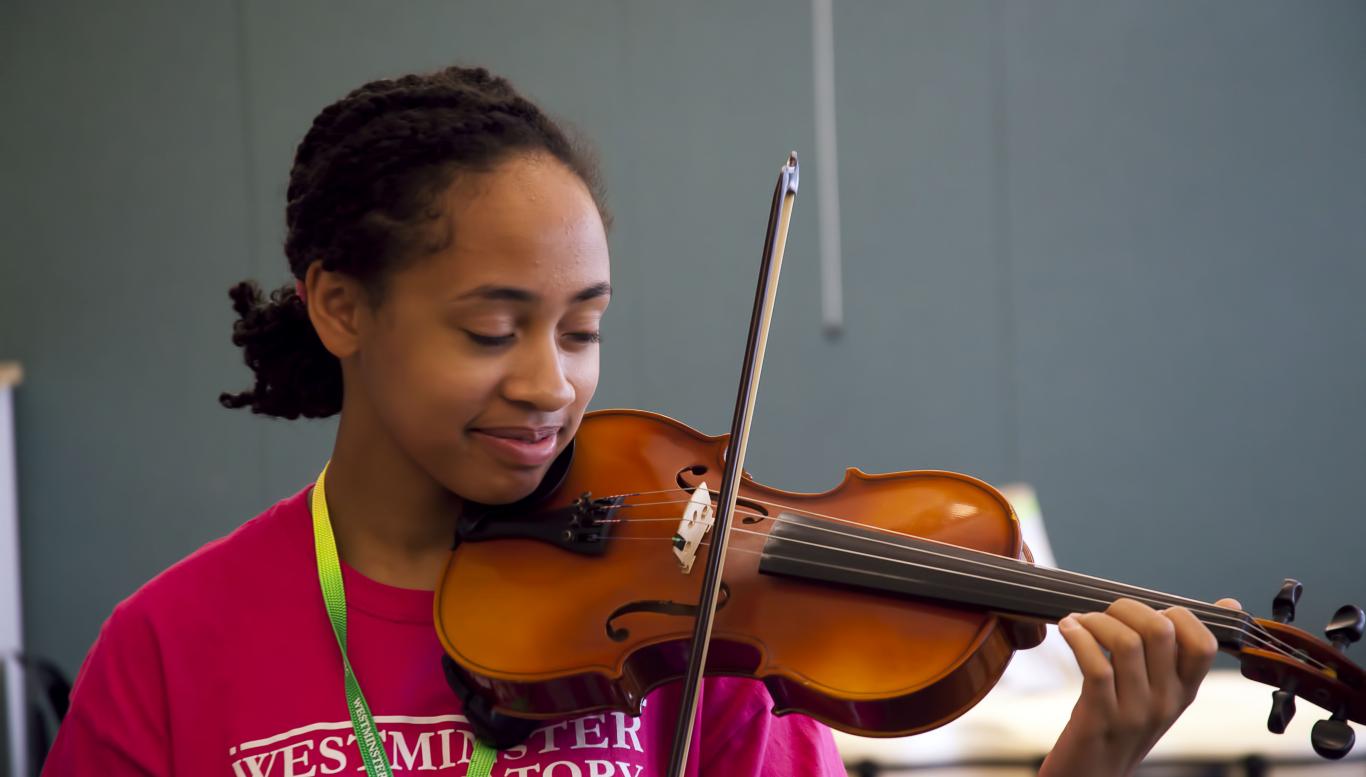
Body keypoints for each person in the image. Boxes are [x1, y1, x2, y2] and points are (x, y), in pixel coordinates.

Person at [42, 65, 1238, 777]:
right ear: (342, 306)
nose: (551, 386)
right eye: (491, 327)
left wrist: (1081, 765)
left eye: (580, 328)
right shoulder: (168, 648)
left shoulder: (691, 624)